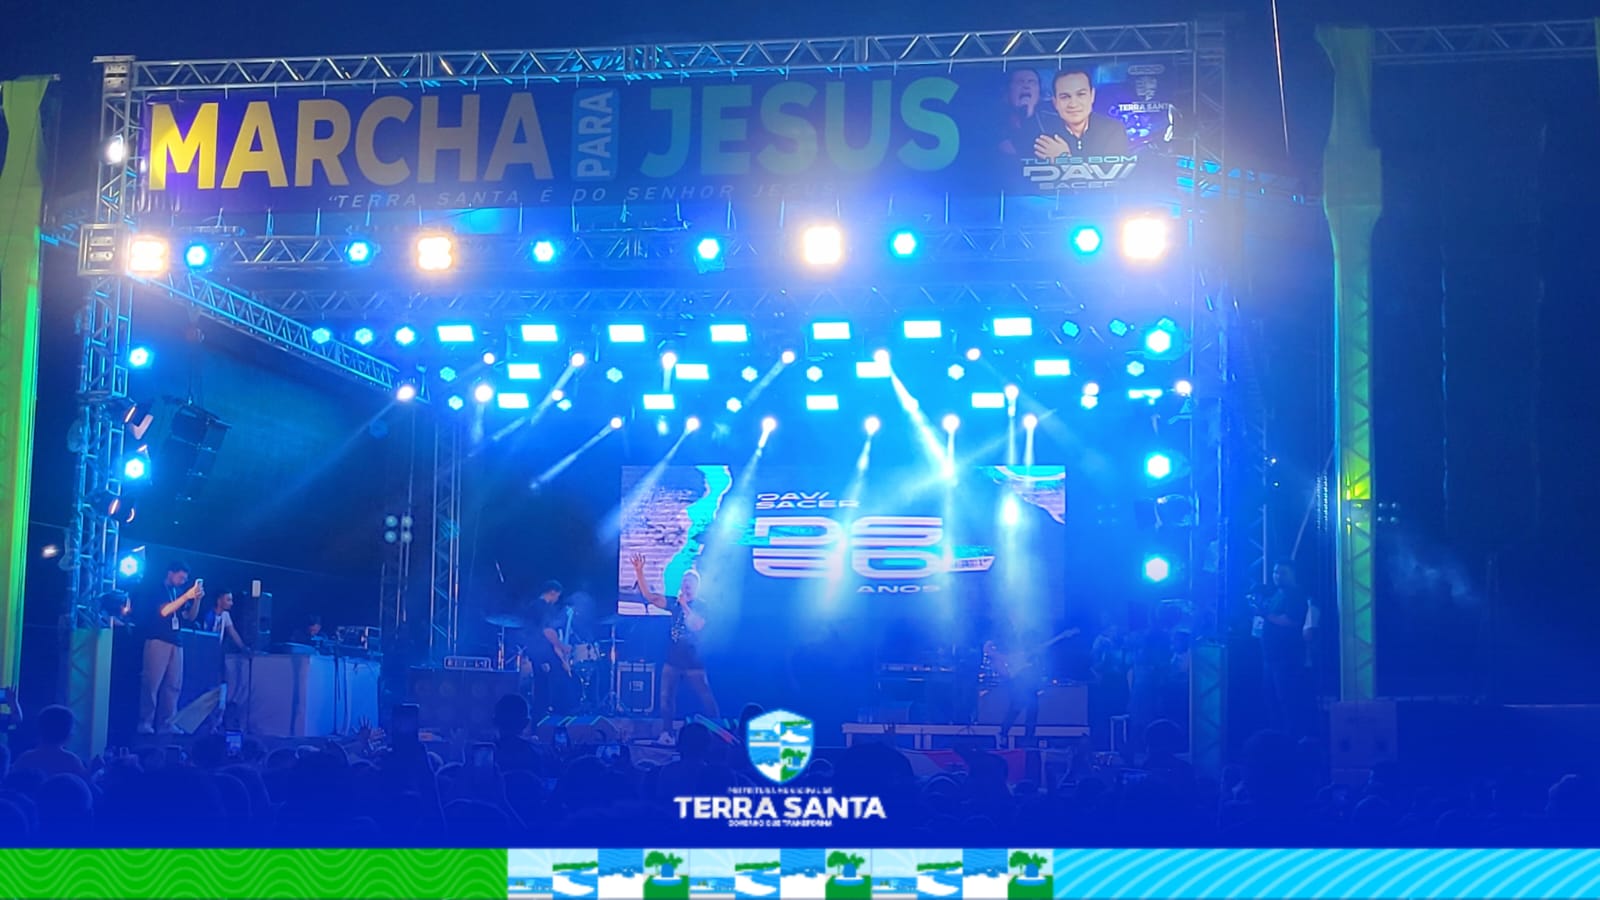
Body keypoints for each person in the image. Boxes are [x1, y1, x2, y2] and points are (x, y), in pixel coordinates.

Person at [630, 552, 720, 744]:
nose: (686, 585)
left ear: (697, 585)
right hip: (673, 660)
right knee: (666, 698)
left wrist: (685, 606)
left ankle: (718, 731)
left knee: (706, 697)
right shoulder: (673, 603)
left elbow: (697, 625)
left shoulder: (702, 605)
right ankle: (667, 733)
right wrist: (639, 572)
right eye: (684, 581)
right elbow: (650, 597)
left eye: (690, 582)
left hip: (693, 661)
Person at [137, 562, 203, 734]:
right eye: (180, 577)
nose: (183, 581)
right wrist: (186, 597)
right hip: (158, 639)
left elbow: (189, 617)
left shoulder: (178, 592)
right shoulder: (157, 589)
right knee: (151, 684)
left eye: (185, 579)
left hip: (176, 641)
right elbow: (164, 611)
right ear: (170, 573)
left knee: (173, 685)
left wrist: (196, 599)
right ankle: (145, 722)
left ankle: (167, 723)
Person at [1256, 561, 1315, 737]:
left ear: (1293, 574)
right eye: (1275, 572)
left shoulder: (1295, 595)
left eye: (1283, 573)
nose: (1277, 576)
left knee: (1288, 701)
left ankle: (1291, 739)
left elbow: (1292, 621)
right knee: (1272, 700)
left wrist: (1267, 615)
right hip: (1271, 658)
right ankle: (1278, 737)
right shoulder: (1277, 594)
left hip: (1287, 658)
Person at [1033, 69, 1131, 160]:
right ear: (1055, 103)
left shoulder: (1113, 130)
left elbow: (1112, 172)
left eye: (1081, 94)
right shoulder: (1042, 133)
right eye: (1065, 97)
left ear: (1092, 96)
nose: (1073, 104)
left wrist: (1064, 158)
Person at [527, 581, 576, 716]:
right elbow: (547, 631)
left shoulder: (533, 605)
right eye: (557, 596)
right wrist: (562, 647)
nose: (557, 600)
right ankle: (554, 716)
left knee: (541, 685)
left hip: (536, 651)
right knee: (554, 683)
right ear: (552, 592)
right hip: (542, 652)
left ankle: (540, 717)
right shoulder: (543, 607)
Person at [10, 706, 88, 778]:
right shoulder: (72, 761)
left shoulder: (25, 759)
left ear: (39, 730)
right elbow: (83, 784)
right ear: (68, 734)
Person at [211, 592, 251, 727]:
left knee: (222, 684)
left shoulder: (226, 616)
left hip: (217, 655)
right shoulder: (209, 615)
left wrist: (243, 648)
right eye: (228, 600)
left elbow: (232, 632)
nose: (231, 603)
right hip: (205, 654)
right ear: (219, 600)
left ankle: (218, 721)